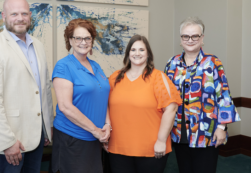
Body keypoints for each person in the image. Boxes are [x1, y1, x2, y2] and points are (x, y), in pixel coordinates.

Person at [0, 0, 54, 173]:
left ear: (30, 15)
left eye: (24, 13)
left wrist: (46, 128)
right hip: (10, 141)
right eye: (14, 14)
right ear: (4, 16)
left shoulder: (39, 46)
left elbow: (44, 90)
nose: (20, 18)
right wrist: (7, 142)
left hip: (37, 137)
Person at [164, 17, 241, 173]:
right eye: (186, 36)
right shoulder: (172, 64)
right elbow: (166, 97)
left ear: (202, 38)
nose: (190, 40)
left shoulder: (213, 63)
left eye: (195, 36)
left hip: (206, 132)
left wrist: (221, 127)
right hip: (179, 133)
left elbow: (224, 95)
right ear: (181, 39)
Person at [106, 35, 182, 173]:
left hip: (151, 149)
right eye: (133, 49)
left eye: (141, 49)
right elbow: (106, 106)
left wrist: (161, 140)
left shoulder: (158, 77)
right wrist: (106, 133)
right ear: (128, 53)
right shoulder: (115, 77)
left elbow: (171, 109)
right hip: (118, 148)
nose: (137, 53)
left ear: (148, 54)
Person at [51, 18, 110, 173]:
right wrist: (96, 131)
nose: (83, 42)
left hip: (94, 138)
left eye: (87, 38)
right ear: (70, 40)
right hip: (72, 138)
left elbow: (104, 99)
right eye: (78, 38)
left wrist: (107, 126)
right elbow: (65, 107)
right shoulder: (64, 66)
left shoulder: (95, 66)